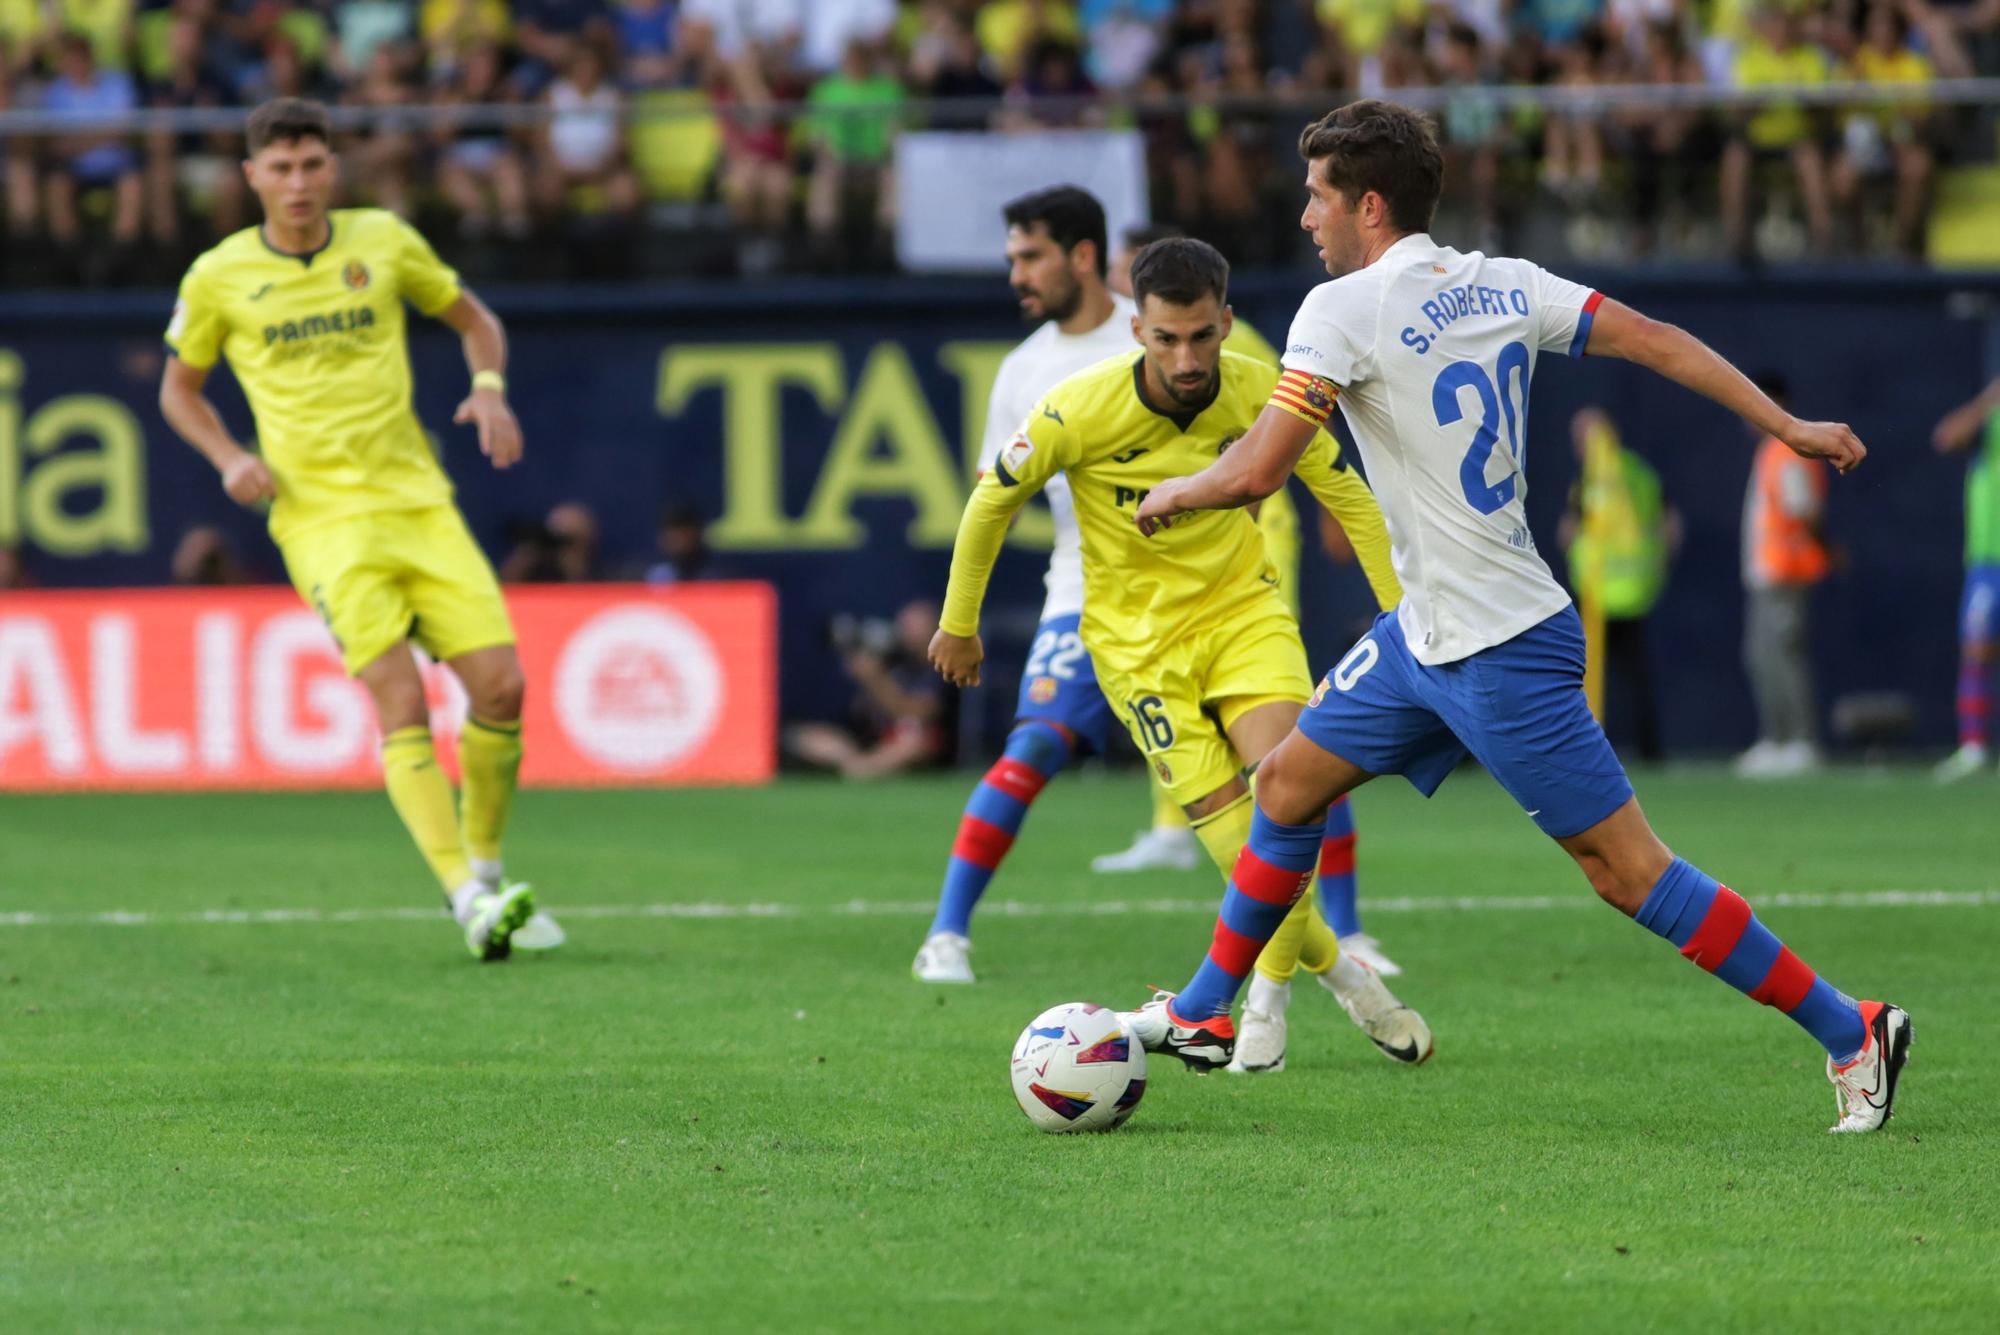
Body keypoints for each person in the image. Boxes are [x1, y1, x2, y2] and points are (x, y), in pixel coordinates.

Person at [1124, 99, 1907, 1135]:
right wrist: (1784, 424)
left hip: (1498, 647)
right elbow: (1657, 340)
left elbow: (1260, 469)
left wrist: (1175, 491)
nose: (1303, 217)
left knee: (1627, 874)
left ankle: (1850, 1029)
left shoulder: (1340, 311)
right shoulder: (1501, 282)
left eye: (1315, 196)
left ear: (1365, 205)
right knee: (1285, 780)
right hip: (1423, 635)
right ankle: (1205, 1012)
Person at [930, 236, 1432, 1071]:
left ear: (1226, 323)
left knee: (1291, 804)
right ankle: (1343, 978)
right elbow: (991, 503)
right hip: (1137, 654)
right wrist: (960, 622)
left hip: (1243, 617)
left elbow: (1346, 490)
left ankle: (1250, 1010)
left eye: (1202, 335)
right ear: (1138, 330)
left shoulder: (1262, 394)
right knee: (1243, 852)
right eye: (1166, 338)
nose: (1187, 356)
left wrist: (1408, 614)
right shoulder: (1077, 409)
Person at [157, 97, 556, 961]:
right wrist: (229, 457)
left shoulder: (383, 241)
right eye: (280, 168)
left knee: (503, 689)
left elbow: (475, 321)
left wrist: (487, 389)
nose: (297, 183)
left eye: (311, 165)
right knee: (400, 697)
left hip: (419, 503)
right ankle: (462, 897)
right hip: (323, 521)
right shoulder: (218, 275)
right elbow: (177, 390)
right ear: (251, 177)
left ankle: (485, 871)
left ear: (332, 168)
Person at [1094, 219, 1407, 981]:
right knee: (1202, 727)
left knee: (1290, 749)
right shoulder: (1118, 373)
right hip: (1167, 591)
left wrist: (1353, 544)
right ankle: (1177, 826)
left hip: (1253, 562)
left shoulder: (1244, 358)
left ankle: (1349, 924)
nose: (1184, 351)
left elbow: (1300, 438)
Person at [910, 185, 1139, 985]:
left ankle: (1346, 938)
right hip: (1083, 588)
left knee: (1286, 754)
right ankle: (945, 934)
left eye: (1030, 256)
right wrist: (959, 616)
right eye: (1012, 258)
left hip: (1199, 591)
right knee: (1033, 745)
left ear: (1083, 255)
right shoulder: (1023, 370)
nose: (1017, 275)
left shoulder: (1162, 332)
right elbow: (992, 501)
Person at [1560, 408, 1678, 762]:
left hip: (1599, 594)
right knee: (1636, 674)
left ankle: (1584, 749)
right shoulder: (1639, 473)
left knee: (1585, 676)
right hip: (1636, 590)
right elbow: (1670, 524)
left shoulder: (1591, 482)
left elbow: (1567, 533)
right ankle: (1650, 749)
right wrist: (1656, 565)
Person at [1737, 373, 1831, 778]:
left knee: (1780, 656)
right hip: (1769, 572)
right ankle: (1778, 739)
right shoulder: (1772, 451)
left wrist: (1826, 548)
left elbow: (1804, 510)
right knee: (1763, 656)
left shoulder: (1787, 450)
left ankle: (1799, 741)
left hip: (1784, 572)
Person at [786, 600, 954, 780]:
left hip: (915, 743)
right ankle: (858, 764)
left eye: (915, 627)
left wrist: (874, 679)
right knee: (808, 737)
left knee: (914, 744)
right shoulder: (893, 661)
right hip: (871, 741)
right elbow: (860, 712)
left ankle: (864, 768)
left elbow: (916, 713)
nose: (907, 632)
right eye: (905, 625)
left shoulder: (942, 668)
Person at [1931, 375, 2000, 781]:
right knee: (1978, 649)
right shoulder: (1990, 419)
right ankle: (1973, 747)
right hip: (1988, 559)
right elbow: (1945, 437)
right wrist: (1988, 400)